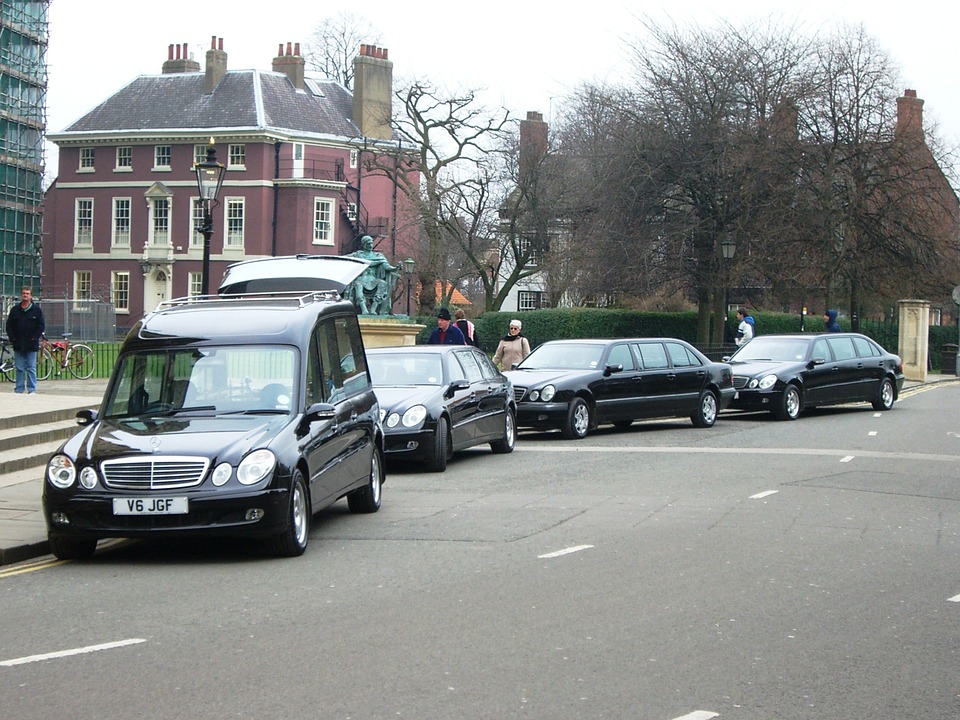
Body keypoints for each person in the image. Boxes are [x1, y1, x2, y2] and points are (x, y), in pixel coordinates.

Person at [346, 235, 400, 315]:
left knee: (382, 283)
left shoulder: (378, 256)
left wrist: (395, 268)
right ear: (364, 245)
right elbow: (345, 258)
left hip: (373, 280)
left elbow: (387, 267)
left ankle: (373, 309)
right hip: (361, 279)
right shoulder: (357, 255)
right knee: (358, 284)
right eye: (368, 244)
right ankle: (364, 309)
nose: (370, 246)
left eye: (371, 243)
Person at [5, 285, 45, 394]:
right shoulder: (15, 310)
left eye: (27, 293)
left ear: (31, 295)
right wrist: (12, 338)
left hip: (31, 344)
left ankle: (32, 389)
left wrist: (34, 337)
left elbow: (41, 326)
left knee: (31, 368)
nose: (25, 295)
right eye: (23, 293)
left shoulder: (36, 310)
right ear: (21, 295)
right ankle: (19, 388)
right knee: (20, 368)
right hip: (18, 343)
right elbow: (9, 326)